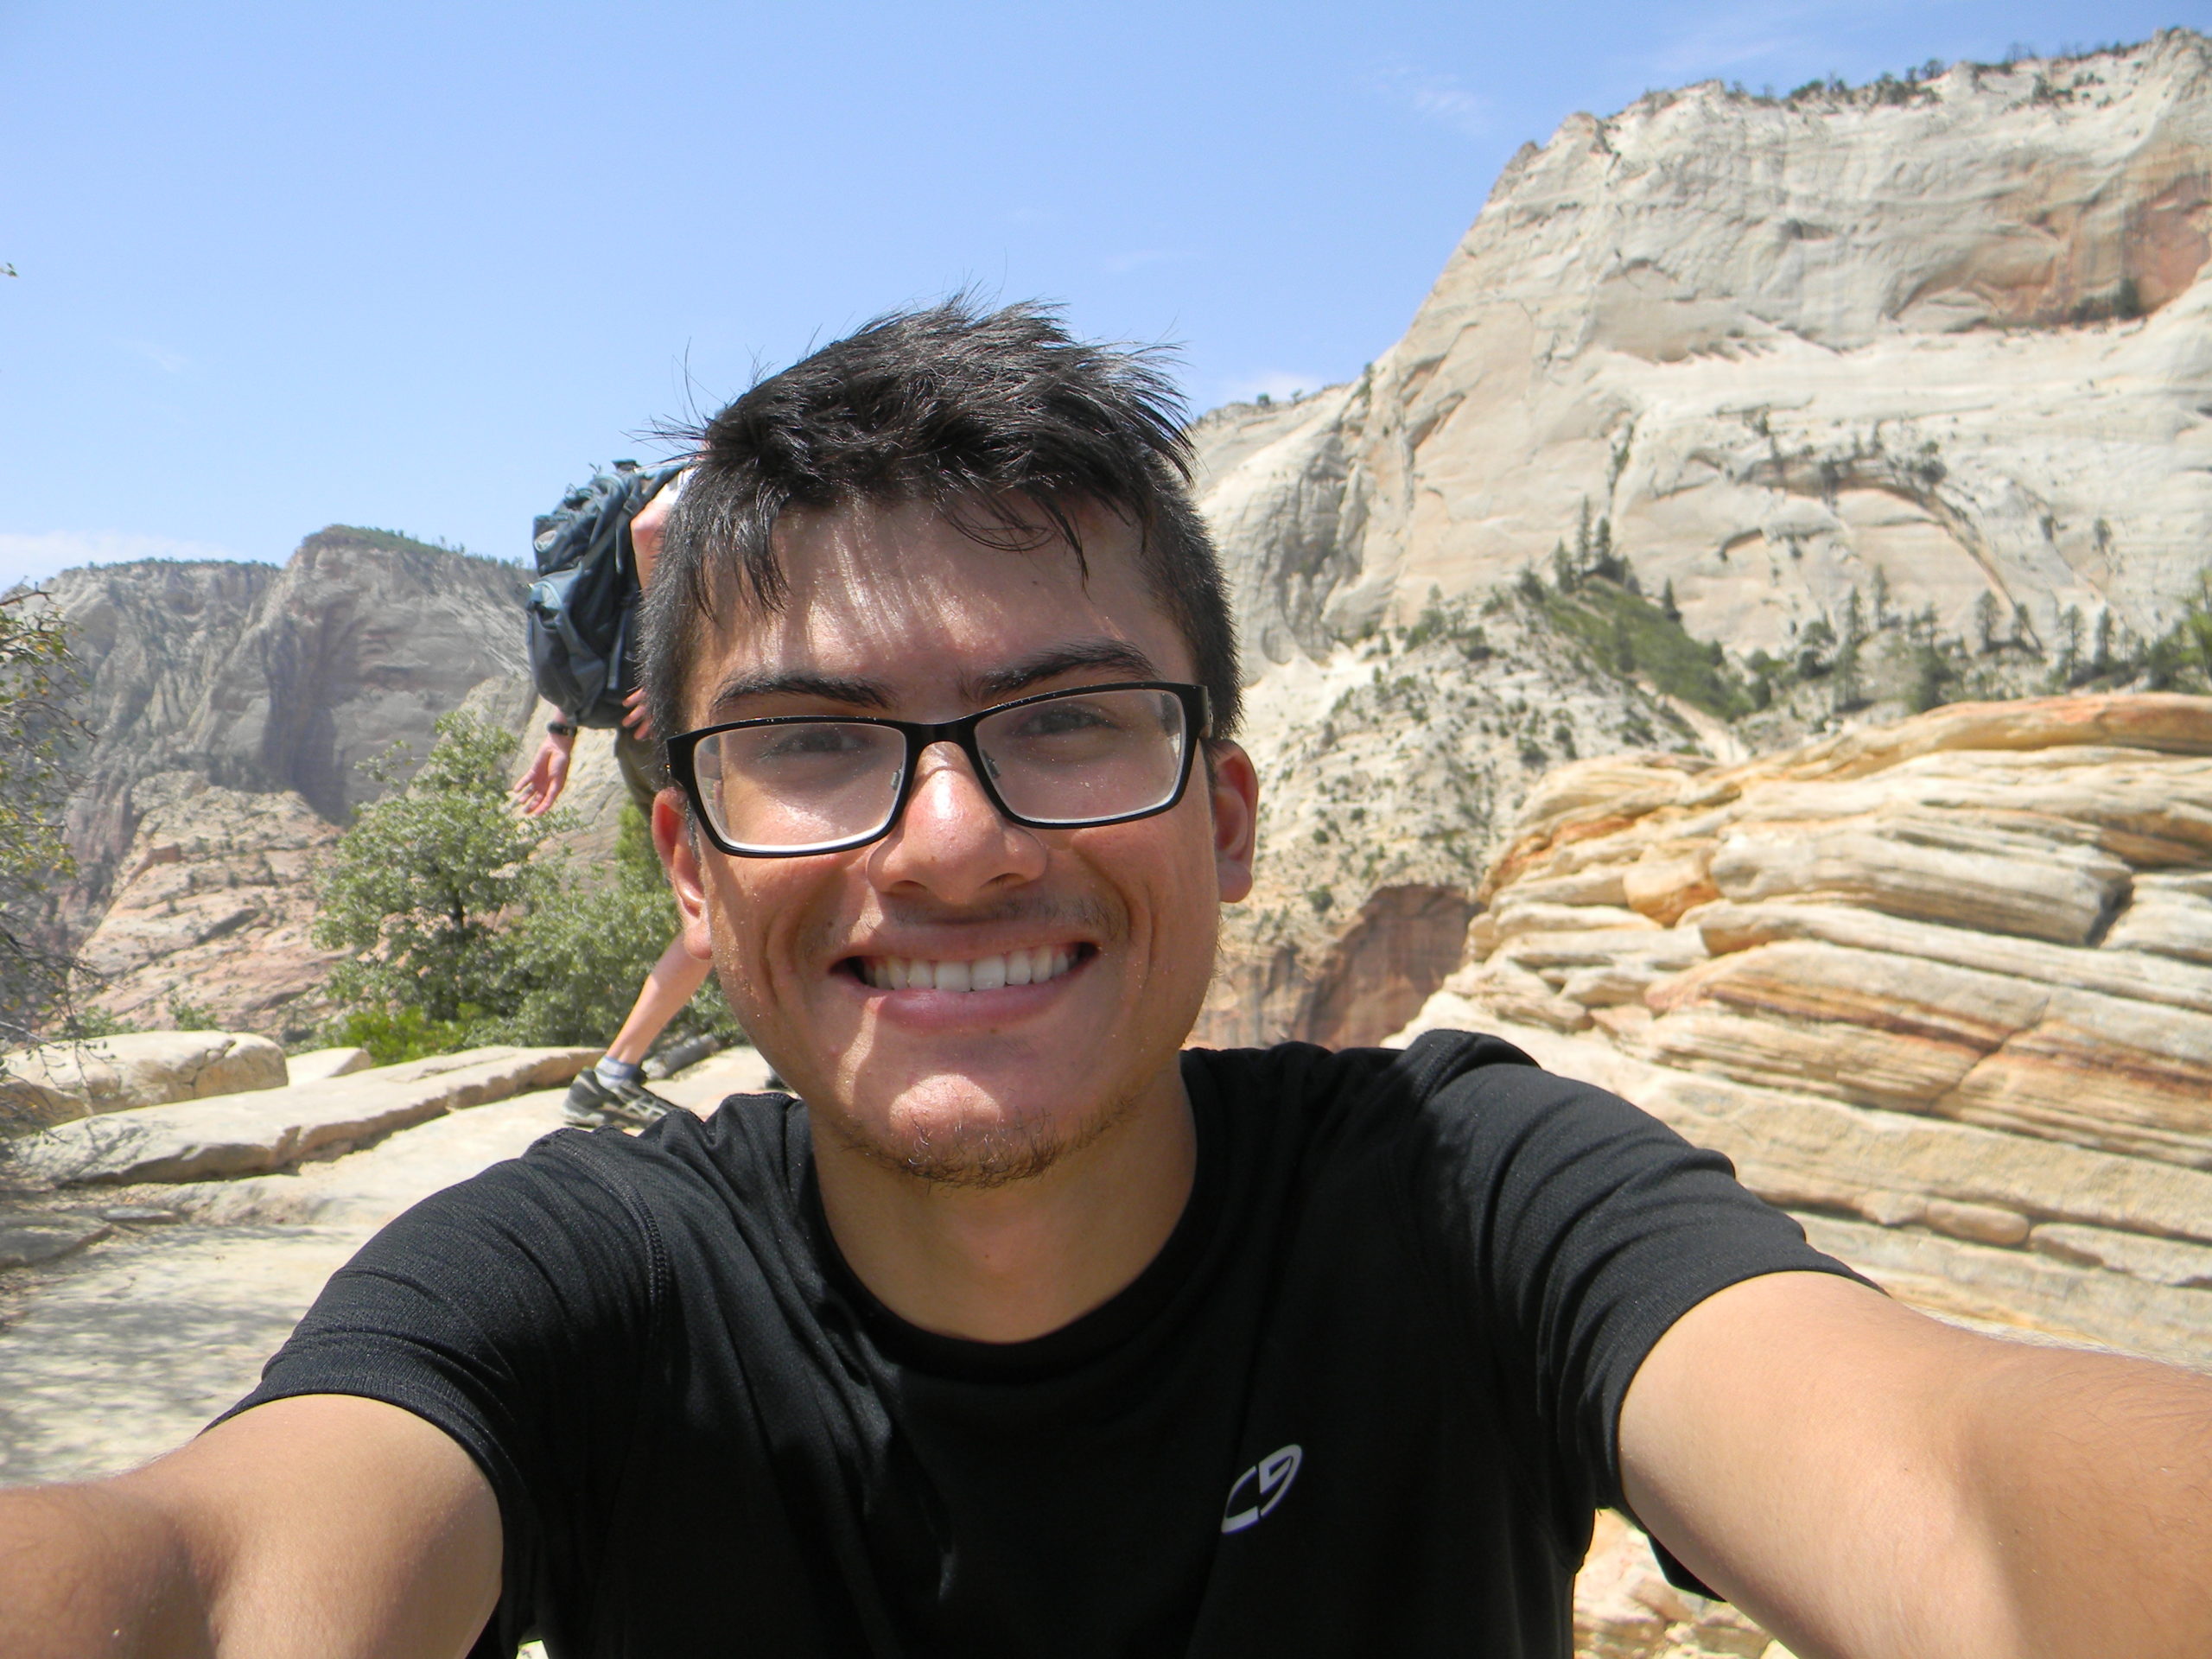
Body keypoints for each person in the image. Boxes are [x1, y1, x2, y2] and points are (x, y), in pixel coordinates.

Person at [3, 301, 2209, 1659]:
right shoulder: (591, 1286)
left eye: (1066, 718)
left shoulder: (1470, 1198)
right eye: (813, 745)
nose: (951, 837)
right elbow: (201, 1582)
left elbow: (1954, 1489)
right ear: (690, 858)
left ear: (1226, 816)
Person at [511, 468, 715, 1129]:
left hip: (649, 725)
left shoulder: (665, 476)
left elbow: (600, 601)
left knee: (722, 905)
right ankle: (612, 1075)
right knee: (718, 911)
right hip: (670, 725)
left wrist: (561, 728)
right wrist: (671, 671)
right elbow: (651, 532)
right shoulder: (714, 464)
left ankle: (620, 1071)